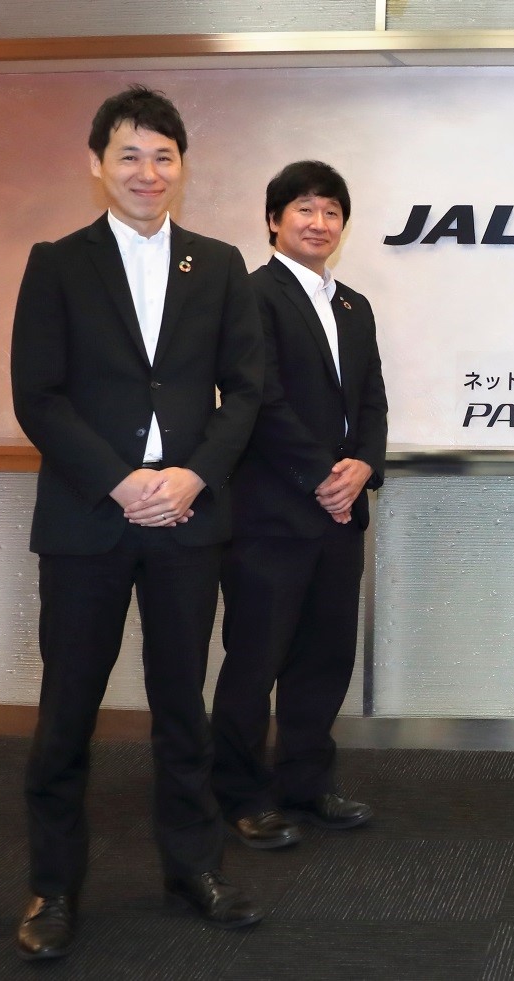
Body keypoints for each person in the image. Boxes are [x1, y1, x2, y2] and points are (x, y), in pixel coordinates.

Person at [10, 85, 265, 959]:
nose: (147, 171)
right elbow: (38, 395)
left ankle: (194, 867)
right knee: (67, 711)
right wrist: (121, 482)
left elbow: (247, 391)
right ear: (97, 165)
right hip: (90, 518)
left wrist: (193, 474)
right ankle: (52, 886)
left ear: (181, 166)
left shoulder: (219, 264)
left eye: (163, 156)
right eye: (129, 154)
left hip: (188, 518)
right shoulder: (57, 263)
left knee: (182, 704)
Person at [211, 161, 387, 850]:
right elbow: (261, 400)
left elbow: (371, 400)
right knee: (256, 658)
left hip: (340, 515)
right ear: (273, 220)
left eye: (331, 211)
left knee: (324, 656)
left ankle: (306, 782)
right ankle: (240, 793)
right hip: (270, 513)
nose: (319, 223)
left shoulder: (354, 306)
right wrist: (323, 477)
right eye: (304, 209)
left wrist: (363, 466)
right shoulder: (252, 296)